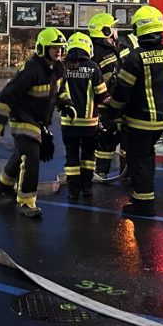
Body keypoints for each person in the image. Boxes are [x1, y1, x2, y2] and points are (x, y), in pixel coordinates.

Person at [102, 5, 163, 218]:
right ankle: (143, 198)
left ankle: (143, 204)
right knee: (147, 157)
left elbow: (122, 91)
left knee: (139, 160)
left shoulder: (135, 58)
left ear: (139, 30)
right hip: (161, 121)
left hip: (138, 121)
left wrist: (112, 113)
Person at [0, 27, 66, 219]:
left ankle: (4, 183)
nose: (58, 51)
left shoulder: (58, 68)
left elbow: (60, 91)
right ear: (42, 49)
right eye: (54, 47)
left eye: (60, 48)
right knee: (31, 156)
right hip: (22, 117)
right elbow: (9, 94)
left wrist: (67, 104)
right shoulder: (31, 69)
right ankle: (26, 202)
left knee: (22, 153)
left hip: (39, 121)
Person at [57, 32, 109, 200]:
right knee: (88, 156)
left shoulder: (62, 67)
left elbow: (55, 93)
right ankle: (87, 188)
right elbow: (102, 95)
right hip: (89, 123)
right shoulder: (93, 67)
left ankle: (73, 190)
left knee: (71, 155)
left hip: (69, 123)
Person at [88, 12, 125, 180]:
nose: (116, 30)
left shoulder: (114, 47)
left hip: (115, 102)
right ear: (105, 31)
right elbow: (106, 79)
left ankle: (120, 171)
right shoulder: (99, 53)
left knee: (117, 136)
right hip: (105, 103)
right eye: (113, 27)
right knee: (106, 137)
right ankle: (102, 171)